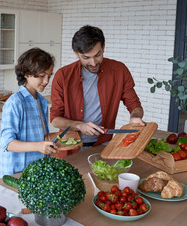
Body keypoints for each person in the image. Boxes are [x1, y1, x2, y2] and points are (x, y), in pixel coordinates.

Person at [50, 25, 145, 157]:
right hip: (69, 148)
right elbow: (55, 119)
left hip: (103, 145)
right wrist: (79, 126)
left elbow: (134, 104)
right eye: (86, 58)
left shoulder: (119, 70)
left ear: (103, 47)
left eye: (97, 55)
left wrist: (136, 117)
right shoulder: (63, 76)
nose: (93, 63)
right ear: (76, 53)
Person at [0, 48, 58, 176]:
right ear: (26, 73)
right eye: (42, 76)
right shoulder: (15, 103)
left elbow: (39, 135)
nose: (47, 81)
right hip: (17, 174)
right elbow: (8, 143)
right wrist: (38, 146)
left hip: (38, 171)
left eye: (49, 75)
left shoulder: (41, 101)